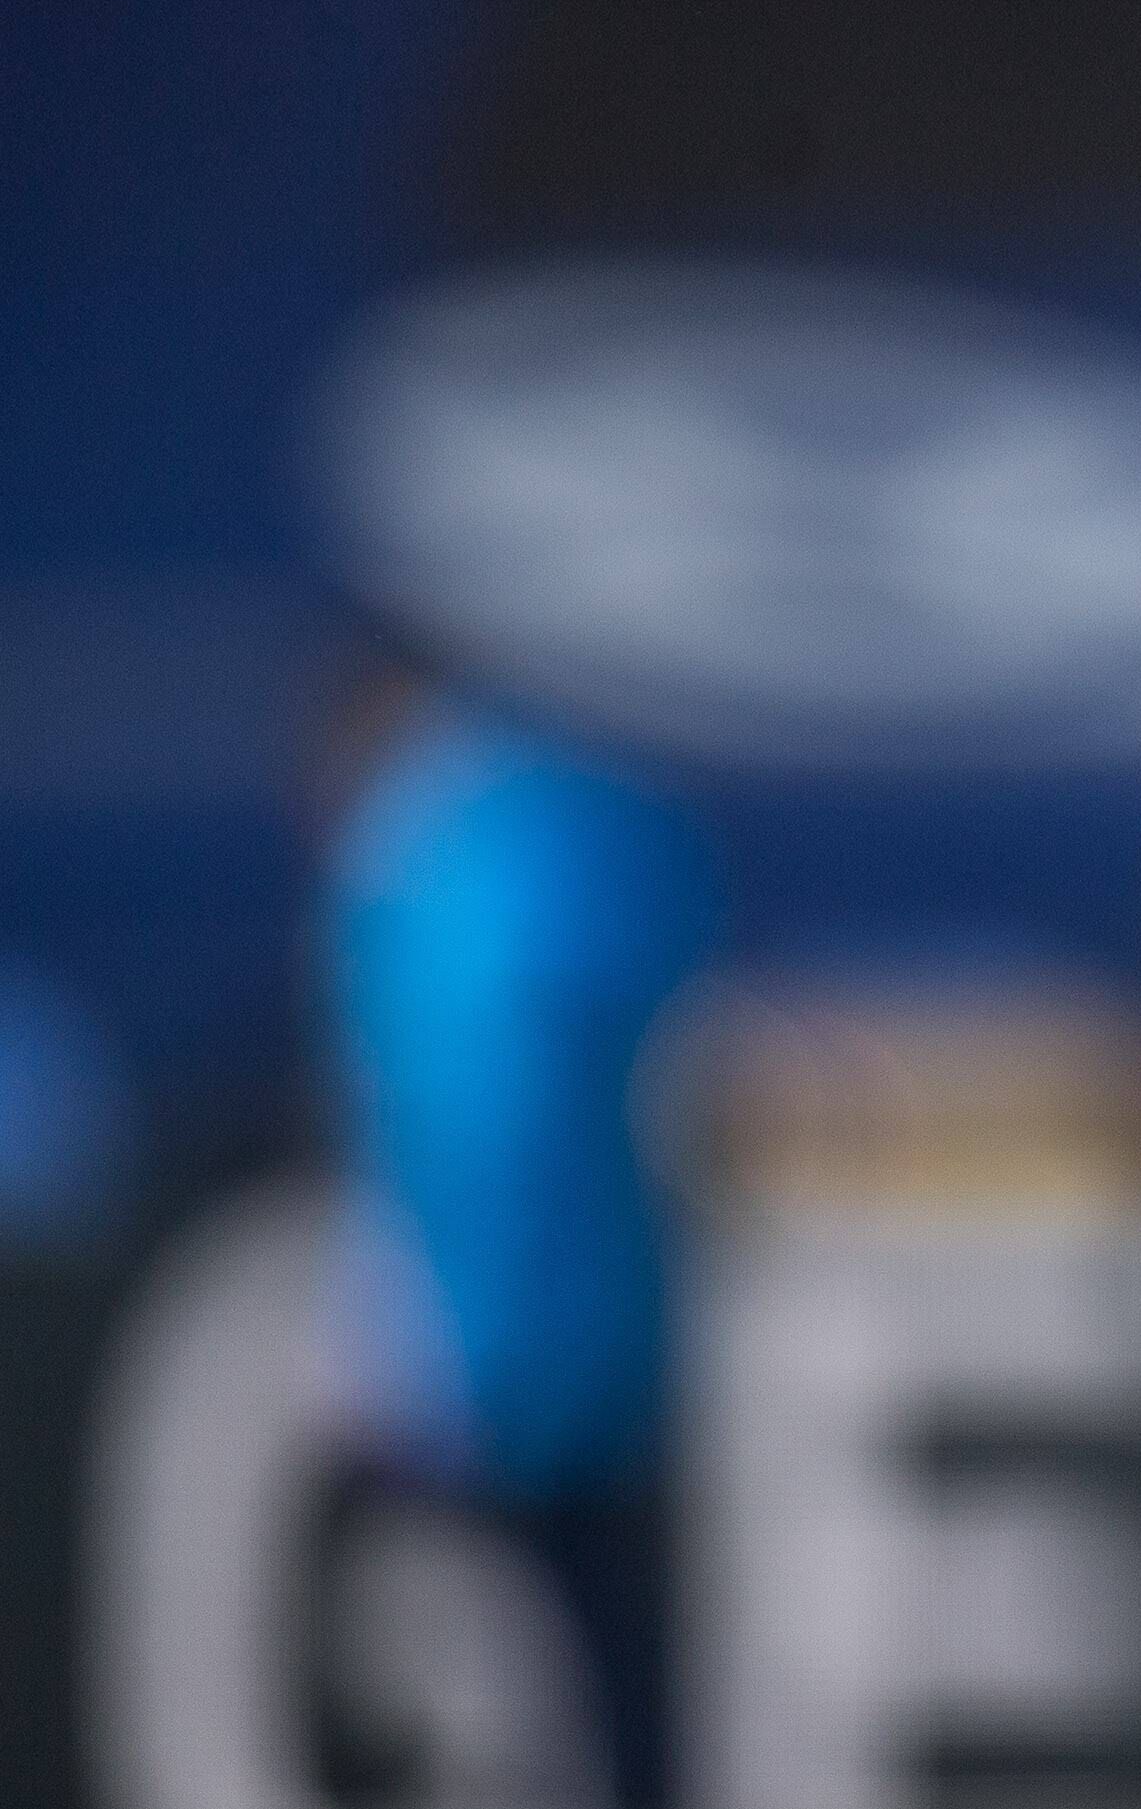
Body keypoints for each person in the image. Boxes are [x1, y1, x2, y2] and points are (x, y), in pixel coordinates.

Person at [321, 643, 718, 1807]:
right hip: (604, 1356)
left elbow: (473, 1130)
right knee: (607, 1674)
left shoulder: (426, 878)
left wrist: (449, 1362)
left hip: (503, 1376)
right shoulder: (583, 836)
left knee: (512, 1666)